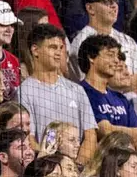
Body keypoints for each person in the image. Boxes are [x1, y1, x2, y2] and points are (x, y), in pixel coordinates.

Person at [17, 23, 96, 163]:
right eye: (52, 47)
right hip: (44, 167)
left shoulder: (76, 90)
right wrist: (51, 167)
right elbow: (28, 138)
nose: (59, 53)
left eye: (61, 48)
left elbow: (90, 136)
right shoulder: (25, 91)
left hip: (76, 170)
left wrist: (76, 167)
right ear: (35, 50)